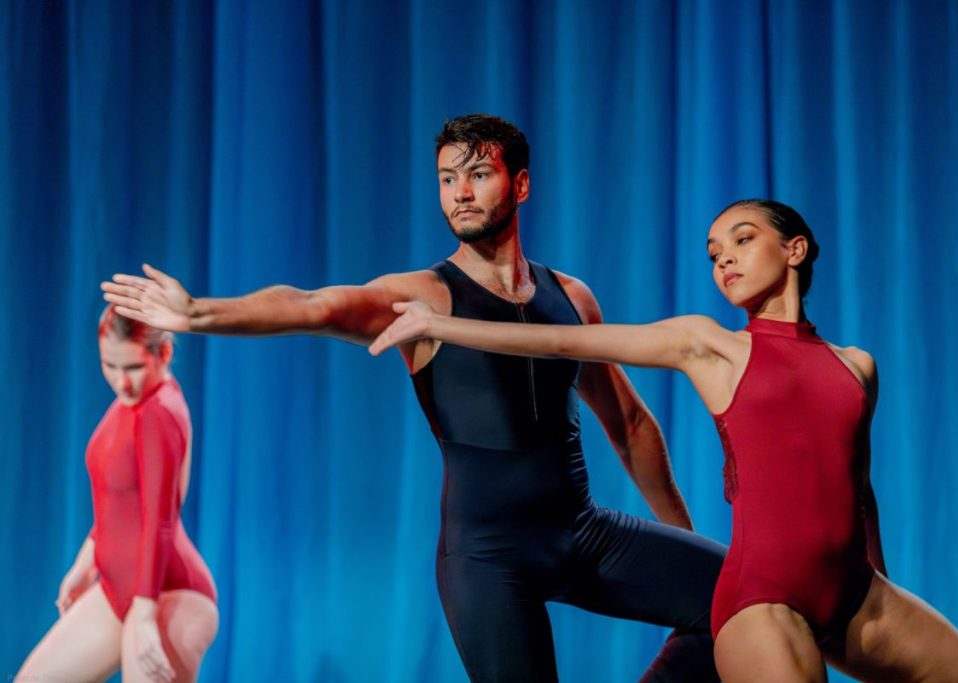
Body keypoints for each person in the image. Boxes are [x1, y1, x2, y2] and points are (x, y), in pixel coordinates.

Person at [101, 114, 725, 682]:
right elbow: (311, 305)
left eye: (478, 174)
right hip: (487, 562)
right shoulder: (423, 298)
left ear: (521, 185)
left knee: (732, 599)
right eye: (447, 178)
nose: (459, 192)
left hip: (582, 534)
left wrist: (682, 551)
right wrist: (202, 313)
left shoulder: (571, 297)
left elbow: (632, 426)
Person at [368, 198, 958, 682]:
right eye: (714, 251)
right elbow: (564, 342)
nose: (724, 259)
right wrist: (440, 324)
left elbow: (859, 489)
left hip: (857, 593)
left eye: (742, 241)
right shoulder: (710, 346)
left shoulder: (858, 365)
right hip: (764, 601)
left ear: (795, 248)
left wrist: (877, 578)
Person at [17, 307, 218, 683]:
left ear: (165, 354)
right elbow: (119, 503)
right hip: (118, 590)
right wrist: (86, 562)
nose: (121, 382)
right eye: (110, 365)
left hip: (170, 595)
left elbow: (159, 520)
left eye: (133, 368)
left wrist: (144, 615)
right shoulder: (133, 401)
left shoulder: (161, 411)